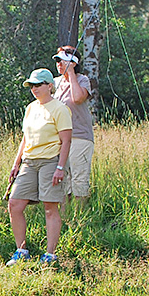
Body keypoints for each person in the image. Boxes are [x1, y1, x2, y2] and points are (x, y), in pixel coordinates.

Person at [6, 68, 72, 266]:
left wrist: (60, 167)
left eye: (38, 85)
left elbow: (66, 141)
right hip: (29, 161)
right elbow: (25, 138)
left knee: (50, 207)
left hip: (51, 160)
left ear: (49, 86)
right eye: (32, 85)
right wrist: (16, 163)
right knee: (14, 204)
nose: (34, 89)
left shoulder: (60, 109)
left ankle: (50, 255)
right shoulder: (30, 108)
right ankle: (21, 250)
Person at [53, 45, 94, 207]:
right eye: (57, 61)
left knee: (79, 178)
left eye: (62, 61)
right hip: (61, 139)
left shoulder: (82, 80)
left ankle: (79, 218)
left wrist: (71, 74)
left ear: (73, 63)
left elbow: (77, 98)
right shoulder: (55, 83)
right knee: (63, 180)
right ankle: (63, 219)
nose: (59, 64)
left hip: (80, 136)